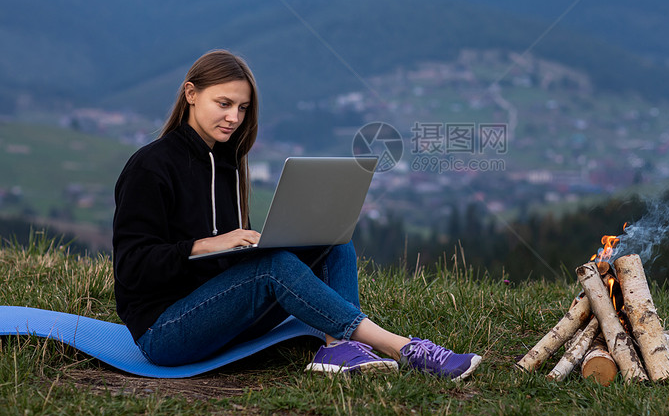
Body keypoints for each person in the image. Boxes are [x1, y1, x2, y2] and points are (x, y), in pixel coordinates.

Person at [112, 49, 481, 381]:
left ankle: (338, 348)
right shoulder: (150, 166)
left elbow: (230, 269)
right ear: (191, 94)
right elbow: (131, 267)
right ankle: (403, 348)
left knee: (332, 239)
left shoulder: (227, 165)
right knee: (273, 266)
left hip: (221, 314)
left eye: (241, 108)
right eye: (223, 103)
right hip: (165, 332)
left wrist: (251, 246)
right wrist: (205, 245)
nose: (233, 117)